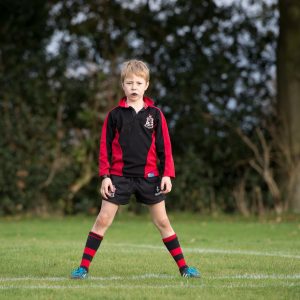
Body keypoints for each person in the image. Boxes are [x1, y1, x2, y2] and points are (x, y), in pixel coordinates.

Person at [70, 59, 200, 279]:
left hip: (149, 178)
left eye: (138, 83)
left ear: (146, 85)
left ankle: (184, 269)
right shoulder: (115, 115)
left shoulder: (155, 115)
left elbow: (164, 147)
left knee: (163, 222)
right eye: (129, 83)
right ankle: (82, 268)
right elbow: (104, 148)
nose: (133, 87)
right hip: (119, 177)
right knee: (103, 220)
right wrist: (105, 176)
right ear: (123, 85)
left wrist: (167, 173)